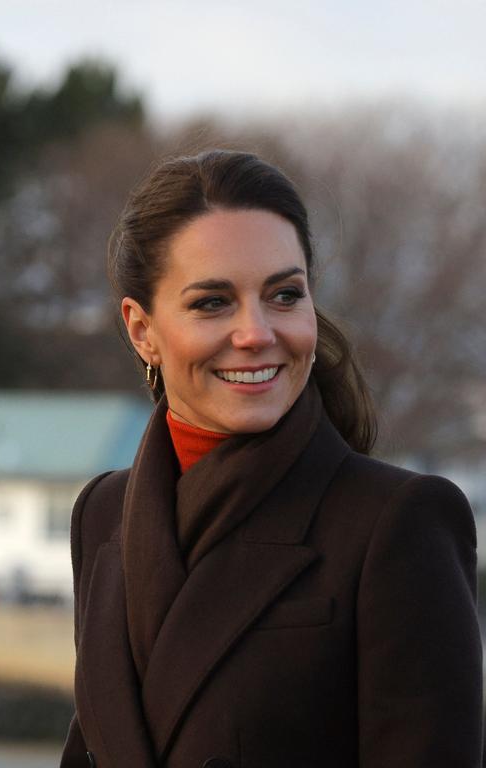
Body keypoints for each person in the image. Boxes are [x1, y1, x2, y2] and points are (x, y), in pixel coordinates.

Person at [61, 150, 482, 768]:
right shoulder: (102, 513)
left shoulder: (398, 521)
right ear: (142, 329)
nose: (257, 332)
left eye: (284, 295)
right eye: (212, 302)